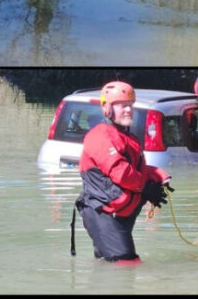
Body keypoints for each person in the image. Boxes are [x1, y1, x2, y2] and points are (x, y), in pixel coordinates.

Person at [74, 81, 172, 264]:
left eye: (130, 106)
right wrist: (145, 187)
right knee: (127, 265)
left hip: (120, 214)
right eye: (121, 106)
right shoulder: (100, 135)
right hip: (102, 213)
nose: (128, 110)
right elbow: (121, 173)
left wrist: (157, 175)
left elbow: (134, 168)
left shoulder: (128, 138)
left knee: (107, 264)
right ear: (106, 108)